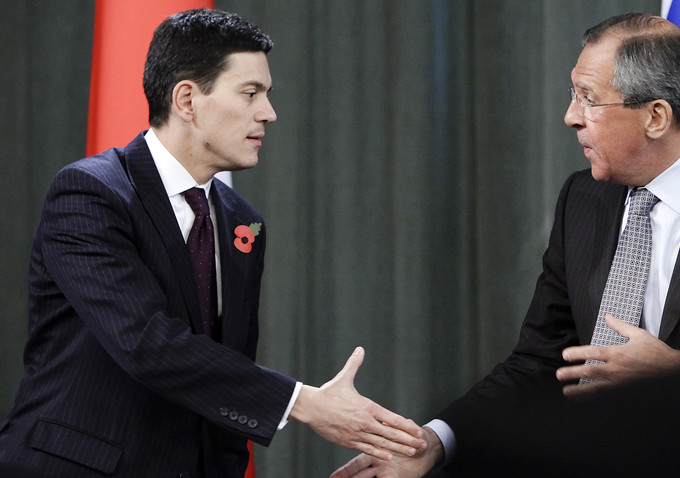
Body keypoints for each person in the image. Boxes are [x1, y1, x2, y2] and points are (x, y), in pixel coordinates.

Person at [331, 12, 680, 477]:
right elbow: (542, 359)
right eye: (574, 95)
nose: (571, 117)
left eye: (588, 99)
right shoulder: (585, 197)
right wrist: (436, 441)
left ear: (656, 116)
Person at [0, 9, 425, 478]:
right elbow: (146, 343)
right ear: (187, 99)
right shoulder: (89, 193)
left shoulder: (243, 222)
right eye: (250, 93)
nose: (269, 113)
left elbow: (223, 378)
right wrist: (303, 402)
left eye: (266, 95)